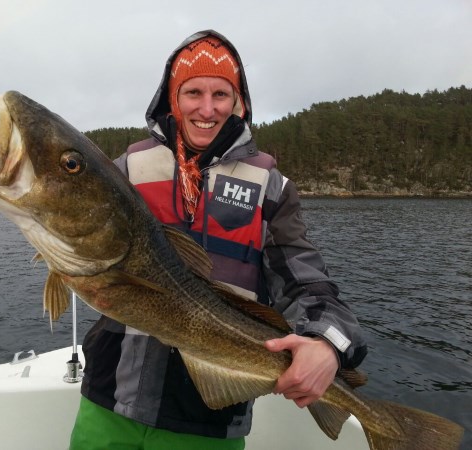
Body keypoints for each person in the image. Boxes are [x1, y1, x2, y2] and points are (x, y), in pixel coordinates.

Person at [70, 29, 367, 450]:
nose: (206, 109)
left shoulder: (271, 187)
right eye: (193, 92)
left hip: (208, 422)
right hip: (109, 399)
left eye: (221, 94)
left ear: (238, 102)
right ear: (173, 97)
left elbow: (307, 280)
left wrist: (328, 342)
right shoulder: (126, 172)